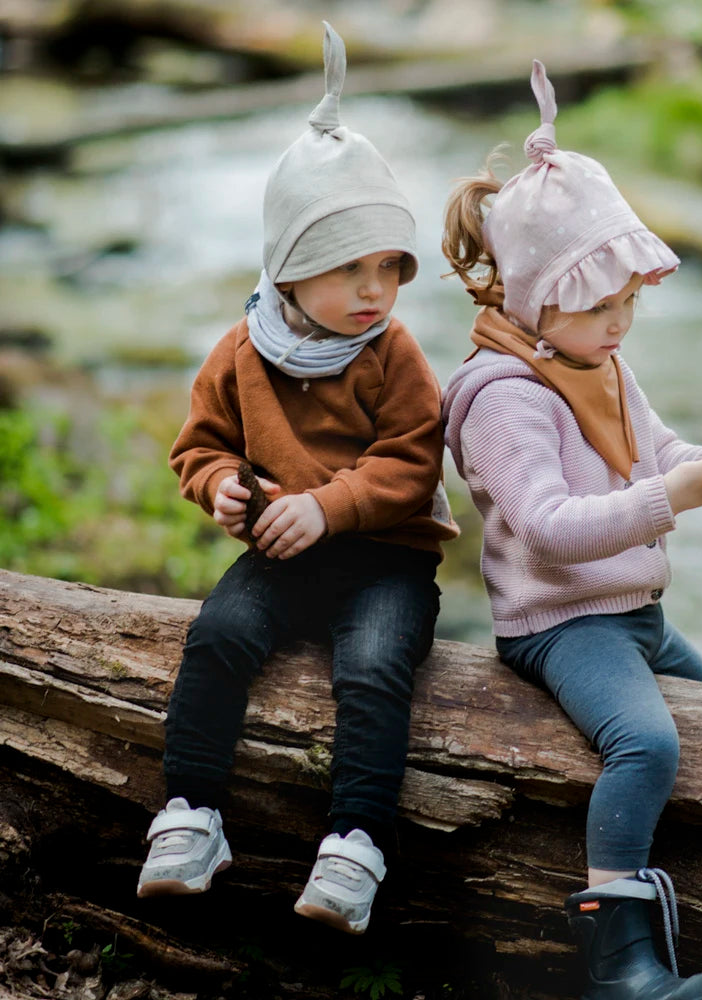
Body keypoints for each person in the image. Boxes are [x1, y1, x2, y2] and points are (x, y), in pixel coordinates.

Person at [441, 61, 702, 999]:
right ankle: (618, 962)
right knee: (648, 744)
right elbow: (549, 530)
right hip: (562, 624)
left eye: (630, 301)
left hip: (633, 612)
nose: (621, 323)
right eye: (599, 306)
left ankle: (698, 902)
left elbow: (660, 447)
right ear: (537, 301)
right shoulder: (504, 397)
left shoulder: (598, 363)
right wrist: (677, 500)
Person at [136, 23, 458, 936]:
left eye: (386, 268)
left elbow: (412, 460)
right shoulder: (243, 350)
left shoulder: (391, 352)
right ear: (286, 268)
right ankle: (191, 817)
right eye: (346, 269)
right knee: (220, 636)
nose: (373, 290)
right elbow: (197, 448)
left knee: (374, 666)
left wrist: (330, 505)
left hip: (385, 559)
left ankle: (356, 841)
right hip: (282, 552)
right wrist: (221, 489)